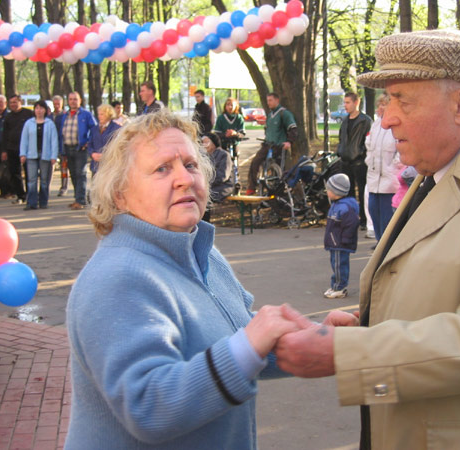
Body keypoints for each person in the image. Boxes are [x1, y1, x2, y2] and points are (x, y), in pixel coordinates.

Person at [275, 29, 460, 450]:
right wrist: (365, 328)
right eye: (386, 100)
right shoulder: (440, 167)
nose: (386, 119)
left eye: (403, 99)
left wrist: (347, 353)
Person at [65, 110, 322, 449]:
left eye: (190, 164)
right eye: (161, 169)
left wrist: (312, 336)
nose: (184, 179)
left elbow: (235, 340)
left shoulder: (199, 250)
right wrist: (249, 344)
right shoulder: (118, 277)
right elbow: (149, 406)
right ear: (119, 194)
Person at [246, 93, 297, 195]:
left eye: (270, 100)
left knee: (278, 169)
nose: (268, 102)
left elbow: (293, 129)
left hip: (278, 146)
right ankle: (252, 187)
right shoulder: (269, 115)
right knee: (255, 162)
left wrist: (289, 142)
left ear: (277, 100)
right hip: (267, 145)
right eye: (267, 100)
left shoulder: (284, 114)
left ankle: (277, 191)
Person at [365, 94, 400, 241]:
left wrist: (394, 167)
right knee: (374, 214)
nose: (380, 107)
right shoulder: (375, 125)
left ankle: (385, 248)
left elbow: (400, 150)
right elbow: (369, 147)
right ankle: (380, 245)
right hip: (374, 180)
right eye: (379, 104)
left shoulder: (396, 125)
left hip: (389, 180)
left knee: (387, 220)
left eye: (384, 104)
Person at [336, 91, 372, 229]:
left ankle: (364, 219)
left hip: (359, 162)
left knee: (363, 191)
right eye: (344, 102)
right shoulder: (345, 121)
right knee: (348, 192)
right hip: (345, 161)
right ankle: (351, 218)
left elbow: (368, 140)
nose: (345, 105)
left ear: (356, 102)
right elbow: (341, 138)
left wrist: (360, 154)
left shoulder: (365, 121)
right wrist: (340, 150)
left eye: (348, 102)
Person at [322, 173, 360, 299]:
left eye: (329, 189)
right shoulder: (337, 205)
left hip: (340, 243)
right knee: (335, 263)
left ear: (336, 191)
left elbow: (351, 224)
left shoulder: (344, 207)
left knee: (339, 265)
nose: (327, 191)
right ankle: (335, 285)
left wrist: (345, 239)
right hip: (335, 242)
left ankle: (340, 287)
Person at [58, 92, 97, 210]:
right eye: (70, 99)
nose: (73, 101)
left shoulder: (86, 114)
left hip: (80, 149)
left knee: (81, 173)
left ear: (80, 100)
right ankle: (77, 198)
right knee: (73, 174)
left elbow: (95, 129)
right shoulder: (65, 115)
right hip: (67, 148)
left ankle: (81, 200)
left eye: (75, 99)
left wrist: (88, 142)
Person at [19, 100, 59, 210]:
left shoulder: (50, 124)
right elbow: (24, 139)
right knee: (31, 180)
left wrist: (54, 156)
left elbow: (54, 141)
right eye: (37, 108)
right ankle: (31, 202)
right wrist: (22, 154)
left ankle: (43, 201)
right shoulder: (29, 123)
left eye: (41, 108)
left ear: (45, 110)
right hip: (31, 155)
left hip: (45, 155)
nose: (39, 110)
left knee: (44, 180)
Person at [2, 94, 33, 205]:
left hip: (27, 148)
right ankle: (20, 195)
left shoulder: (28, 114)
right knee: (15, 173)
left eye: (15, 102)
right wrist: (4, 150)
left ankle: (31, 194)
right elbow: (5, 134)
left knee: (29, 172)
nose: (13, 105)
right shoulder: (8, 117)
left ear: (20, 102)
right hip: (12, 148)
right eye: (11, 103)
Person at [201, 132, 234, 222]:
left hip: (223, 186)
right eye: (202, 142)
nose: (204, 145)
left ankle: (205, 225)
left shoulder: (224, 155)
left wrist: (205, 182)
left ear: (214, 143)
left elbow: (223, 176)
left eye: (206, 142)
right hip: (208, 185)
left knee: (205, 197)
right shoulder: (203, 156)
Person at [88, 104, 121, 175]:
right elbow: (90, 144)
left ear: (108, 115)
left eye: (102, 114)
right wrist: (92, 154)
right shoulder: (94, 129)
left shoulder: (116, 128)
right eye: (99, 114)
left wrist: (106, 155)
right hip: (96, 166)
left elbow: (118, 146)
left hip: (110, 166)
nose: (99, 116)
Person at [51, 95, 69, 197]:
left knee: (64, 168)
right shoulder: (50, 116)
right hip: (52, 145)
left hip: (62, 145)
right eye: (55, 104)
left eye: (58, 104)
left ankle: (64, 187)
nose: (57, 106)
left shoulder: (65, 115)